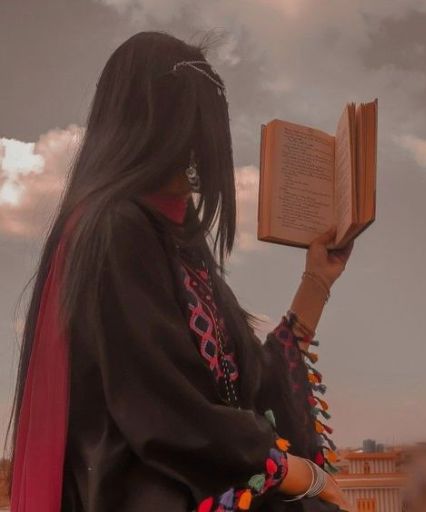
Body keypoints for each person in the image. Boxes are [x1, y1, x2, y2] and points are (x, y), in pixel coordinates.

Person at [3, 31, 355, 511]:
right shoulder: (115, 227)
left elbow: (246, 385)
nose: (197, 164)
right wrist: (289, 469)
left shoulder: (175, 238)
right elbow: (163, 409)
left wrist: (316, 281)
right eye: (188, 141)